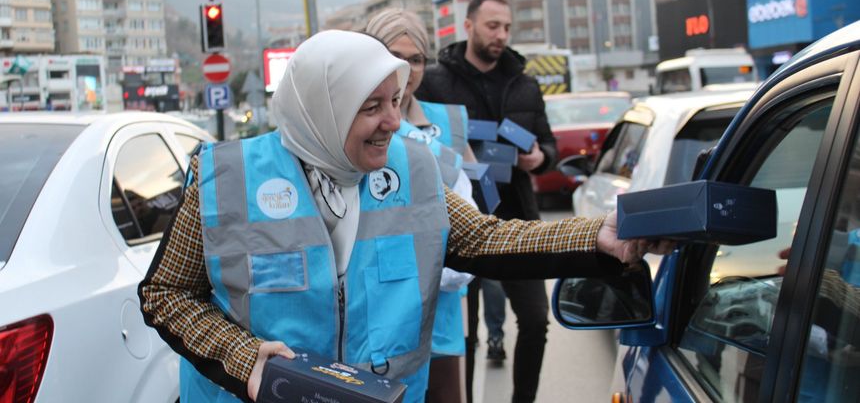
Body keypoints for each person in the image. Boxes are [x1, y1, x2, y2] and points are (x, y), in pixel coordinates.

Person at [139, 30, 668, 403]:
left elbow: (486, 240)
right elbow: (166, 294)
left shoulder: (411, 169)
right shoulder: (224, 178)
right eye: (371, 108)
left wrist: (599, 233)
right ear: (321, 112)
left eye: (395, 100)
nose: (394, 122)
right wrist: (244, 359)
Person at [415, 0, 558, 403]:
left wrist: (540, 157)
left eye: (507, 28)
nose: (501, 35)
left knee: (535, 320)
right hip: (458, 224)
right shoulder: (437, 81)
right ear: (469, 25)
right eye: (493, 26)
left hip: (516, 221)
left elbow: (548, 146)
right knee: (465, 334)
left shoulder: (525, 83)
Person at [365, 8, 475, 403]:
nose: (407, 70)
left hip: (438, 324)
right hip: (370, 331)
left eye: (416, 59)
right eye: (395, 56)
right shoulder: (345, 138)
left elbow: (472, 232)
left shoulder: (443, 139)